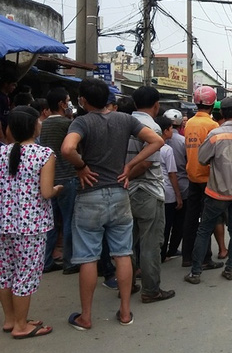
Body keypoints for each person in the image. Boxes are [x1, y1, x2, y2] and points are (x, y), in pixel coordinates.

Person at [61, 78, 164, 330]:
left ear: (82, 101)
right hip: (120, 193)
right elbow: (157, 141)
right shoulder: (125, 120)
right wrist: (129, 166)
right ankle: (126, 312)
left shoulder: (81, 121)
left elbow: (67, 149)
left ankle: (86, 317)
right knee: (123, 253)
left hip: (90, 196)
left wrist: (82, 166)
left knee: (88, 258)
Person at [0, 106, 61, 339]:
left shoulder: (1, 153)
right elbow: (46, 192)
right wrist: (56, 189)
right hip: (31, 226)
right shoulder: (44, 154)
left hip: (3, 223)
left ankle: (11, 320)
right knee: (25, 275)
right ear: (35, 125)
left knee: (5, 273)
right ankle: (21, 326)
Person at [184, 97, 232, 284]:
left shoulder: (215, 134)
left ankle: (196, 273)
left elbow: (202, 159)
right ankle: (231, 269)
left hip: (216, 192)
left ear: (222, 113)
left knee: (204, 230)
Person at [126, 86, 175, 304]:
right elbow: (147, 162)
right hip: (147, 191)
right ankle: (151, 289)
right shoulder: (152, 128)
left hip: (126, 193)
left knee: (127, 243)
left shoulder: (124, 122)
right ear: (156, 105)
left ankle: (127, 285)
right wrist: (126, 175)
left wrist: (123, 178)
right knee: (150, 243)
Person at [182, 86, 225, 268]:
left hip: (192, 174)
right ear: (212, 103)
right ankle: (204, 258)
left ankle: (187, 256)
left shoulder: (189, 123)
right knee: (206, 220)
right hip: (207, 177)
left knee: (191, 218)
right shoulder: (212, 125)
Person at [40, 87, 79, 275]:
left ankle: (46, 261)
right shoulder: (67, 124)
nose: (69, 103)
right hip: (68, 177)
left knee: (51, 223)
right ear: (61, 104)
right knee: (70, 221)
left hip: (49, 179)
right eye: (68, 100)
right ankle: (69, 262)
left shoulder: (43, 124)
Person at [154, 116, 184, 263]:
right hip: (168, 192)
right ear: (165, 131)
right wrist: (178, 195)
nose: (172, 130)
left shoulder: (149, 145)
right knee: (167, 225)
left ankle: (158, 253)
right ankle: (163, 253)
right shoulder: (167, 149)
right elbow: (172, 174)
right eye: (170, 128)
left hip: (155, 191)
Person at [162, 109, 188, 259]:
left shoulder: (155, 142)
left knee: (165, 222)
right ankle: (172, 249)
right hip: (182, 185)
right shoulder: (183, 141)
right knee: (179, 222)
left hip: (164, 188)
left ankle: (163, 249)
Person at [0, 65, 18, 144]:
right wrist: (2, 138)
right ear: (5, 84)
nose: (14, 87)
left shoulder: (7, 98)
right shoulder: (1, 98)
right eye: (13, 85)